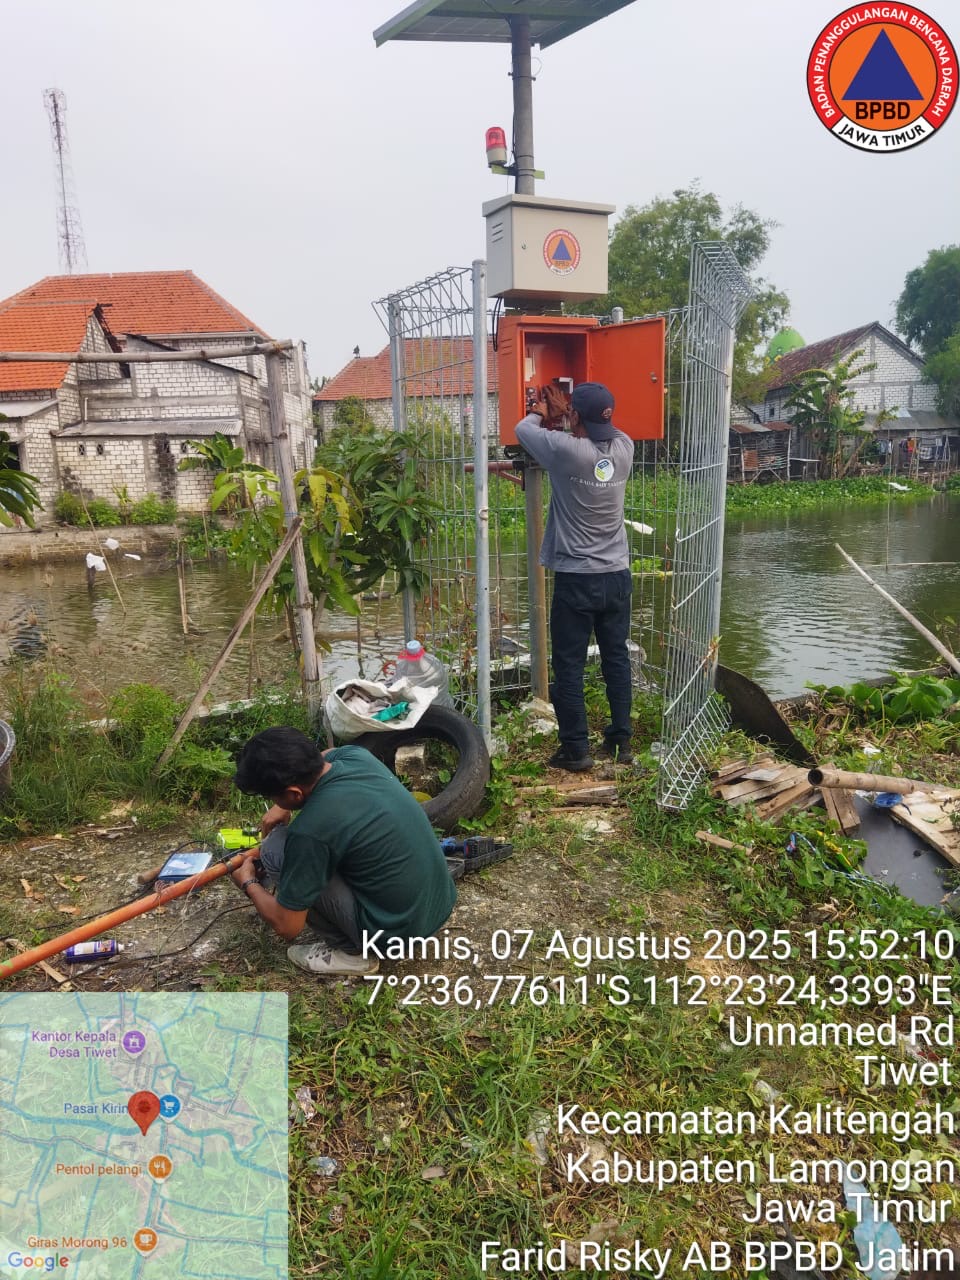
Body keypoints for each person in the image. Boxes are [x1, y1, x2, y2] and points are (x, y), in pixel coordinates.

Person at [231, 727, 457, 977]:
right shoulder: (356, 757)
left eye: (270, 796)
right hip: (437, 906)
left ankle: (350, 954)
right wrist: (280, 804)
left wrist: (249, 883)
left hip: (394, 935)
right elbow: (328, 753)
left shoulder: (310, 833)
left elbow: (287, 927)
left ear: (294, 793)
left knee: (274, 848)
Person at [515, 381, 634, 771]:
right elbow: (598, 432)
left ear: (575, 417)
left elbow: (523, 431)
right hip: (616, 575)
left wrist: (542, 411)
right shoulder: (625, 448)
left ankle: (575, 749)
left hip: (576, 578)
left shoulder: (567, 452)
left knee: (568, 664)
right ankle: (620, 742)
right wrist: (572, 415)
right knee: (616, 658)